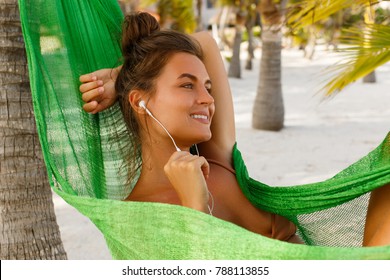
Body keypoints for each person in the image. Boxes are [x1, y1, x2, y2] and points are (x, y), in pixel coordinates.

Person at [79, 11, 390, 246]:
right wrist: (194, 206)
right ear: (140, 102)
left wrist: (123, 75)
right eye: (188, 85)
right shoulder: (133, 219)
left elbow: (206, 42)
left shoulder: (217, 160)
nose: (207, 100)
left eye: (208, 87)